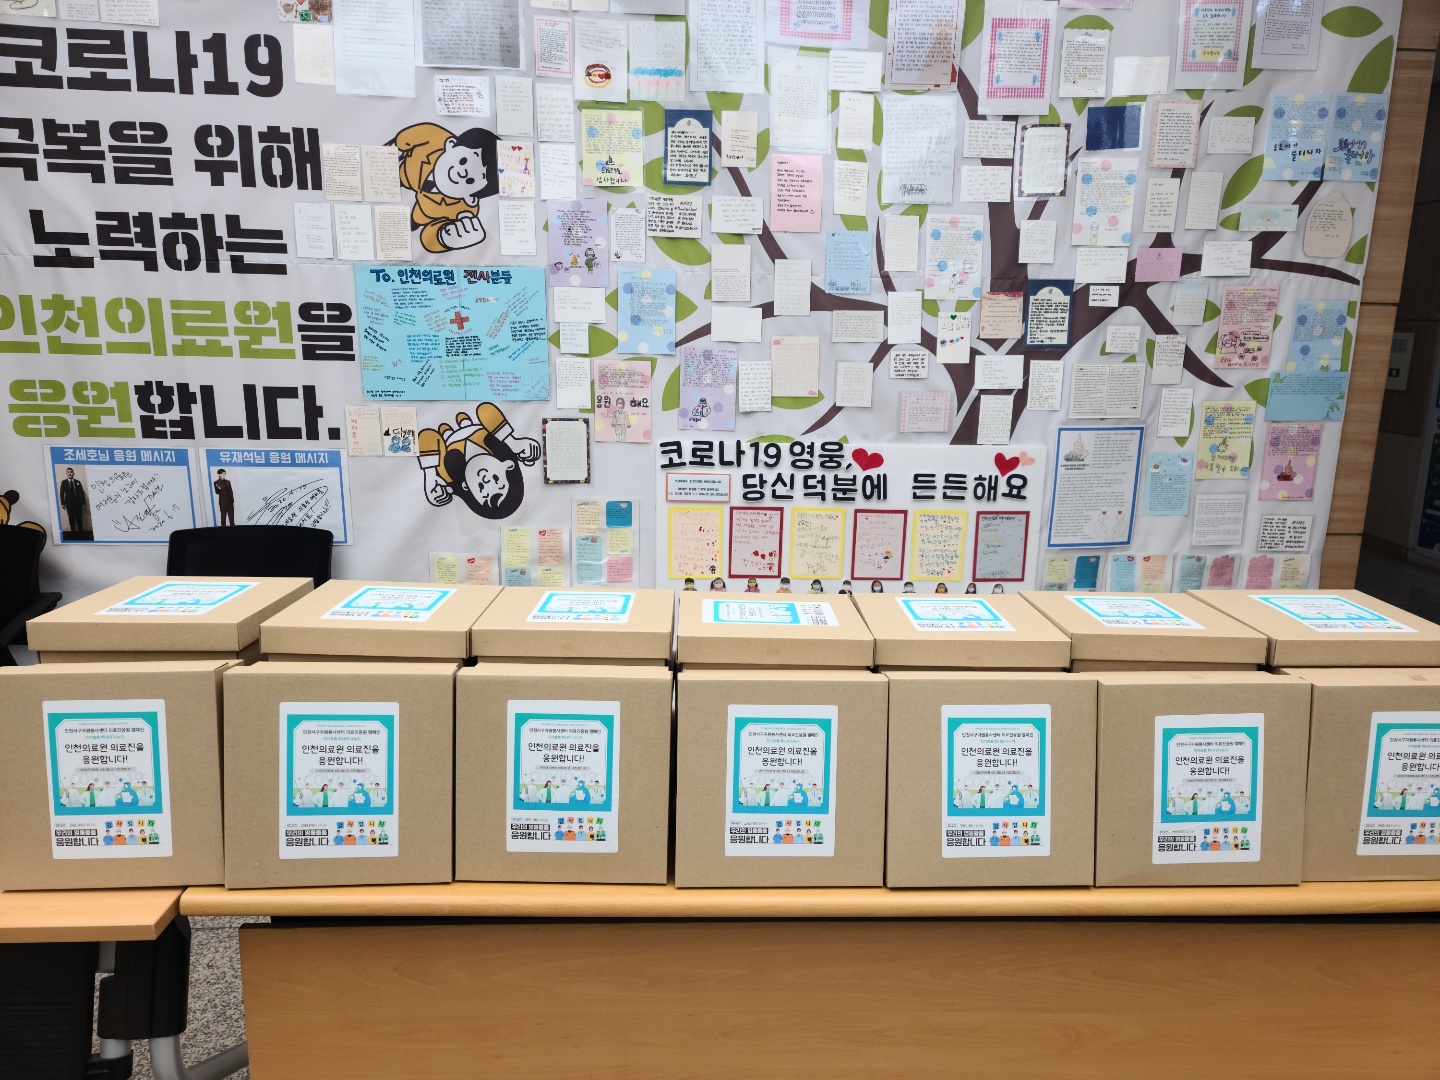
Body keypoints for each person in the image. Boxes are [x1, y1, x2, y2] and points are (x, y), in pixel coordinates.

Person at [59, 467, 86, 535]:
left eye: (71, 472)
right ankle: (73, 532)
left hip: (78, 504)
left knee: (79, 518)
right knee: (71, 518)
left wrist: (83, 503)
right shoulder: (64, 482)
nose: (69, 473)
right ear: (66, 473)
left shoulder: (77, 482)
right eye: (68, 472)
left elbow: (82, 493)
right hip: (69, 504)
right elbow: (61, 493)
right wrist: (62, 503)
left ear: (73, 473)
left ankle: (81, 532)